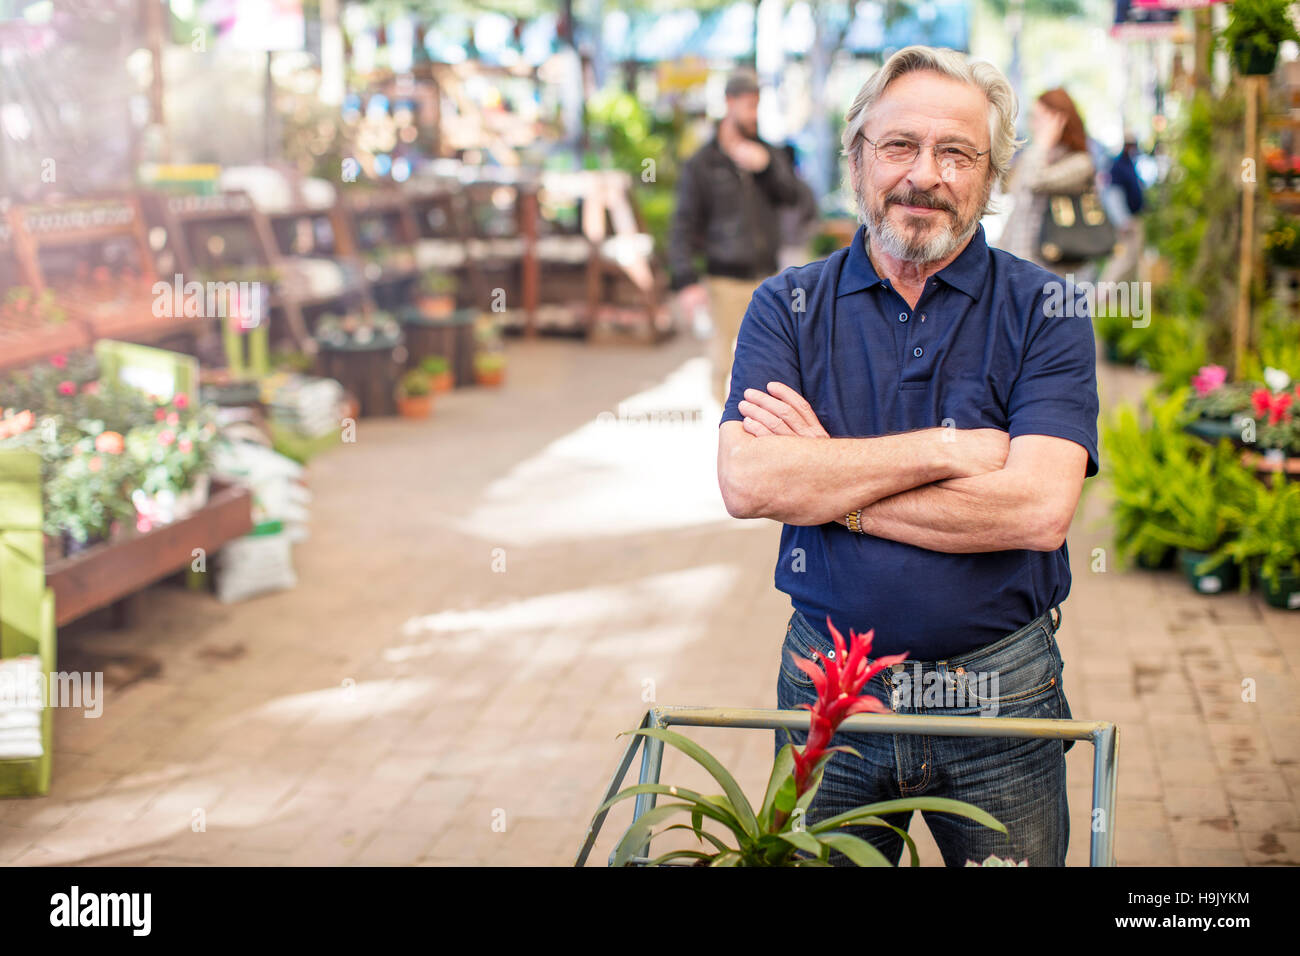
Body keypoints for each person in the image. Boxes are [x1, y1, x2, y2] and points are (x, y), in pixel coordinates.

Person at [716, 45, 1099, 867]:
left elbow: (1037, 510)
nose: (924, 174)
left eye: (956, 152)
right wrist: (945, 450)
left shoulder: (1048, 307)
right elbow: (749, 481)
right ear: (857, 159)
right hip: (831, 692)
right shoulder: (786, 306)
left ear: (992, 175)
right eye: (899, 146)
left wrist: (828, 483)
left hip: (1000, 690)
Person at [668, 69, 801, 406]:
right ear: (729, 103)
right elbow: (683, 223)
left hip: (767, 279)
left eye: (757, 105)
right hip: (723, 278)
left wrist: (768, 166)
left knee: (771, 364)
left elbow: (795, 197)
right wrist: (685, 280)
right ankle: (725, 436)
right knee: (723, 365)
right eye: (747, 105)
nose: (753, 114)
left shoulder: (768, 154)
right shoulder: (702, 164)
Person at [997, 88, 1098, 278]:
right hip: (1017, 258)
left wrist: (1043, 144)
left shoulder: (1080, 163)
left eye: (1040, 118)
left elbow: (1035, 181)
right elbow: (1011, 192)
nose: (1034, 125)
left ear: (1060, 120)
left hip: (1055, 268)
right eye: (1033, 118)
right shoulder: (1032, 156)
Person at [1099, 132, 1146, 286]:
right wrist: (1123, 221)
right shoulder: (1117, 166)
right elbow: (1113, 196)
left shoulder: (1129, 164)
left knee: (1132, 262)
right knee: (1122, 259)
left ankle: (1124, 301)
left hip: (1134, 218)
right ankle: (1099, 294)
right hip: (1126, 221)